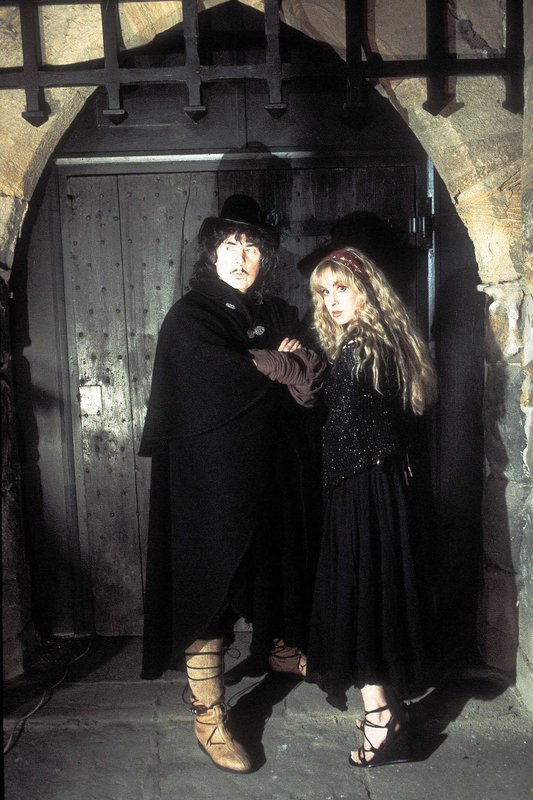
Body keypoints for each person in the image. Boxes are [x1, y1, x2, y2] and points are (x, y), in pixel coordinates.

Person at [139, 195, 325, 773]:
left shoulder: (276, 311)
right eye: (229, 245)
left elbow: (310, 374)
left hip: (271, 471)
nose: (241, 257)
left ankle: (279, 649)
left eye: (251, 247)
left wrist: (279, 363)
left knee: (276, 564)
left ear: (264, 258)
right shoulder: (191, 316)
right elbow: (213, 376)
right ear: (211, 254)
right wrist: (272, 363)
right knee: (211, 586)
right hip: (209, 479)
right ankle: (208, 710)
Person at [307, 247, 437, 767]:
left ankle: (381, 718)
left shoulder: (361, 347)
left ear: (365, 288)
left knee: (358, 598)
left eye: (341, 288)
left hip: (361, 487)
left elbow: (348, 428)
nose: (331, 301)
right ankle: (391, 712)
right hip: (374, 485)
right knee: (371, 597)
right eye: (324, 292)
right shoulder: (380, 340)